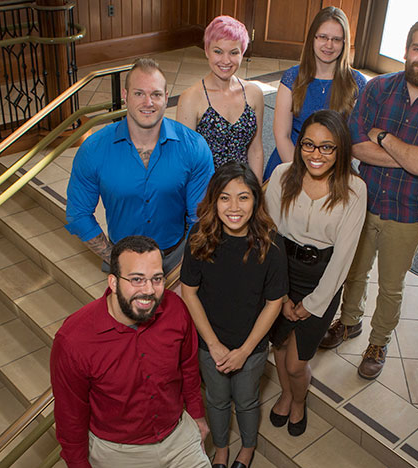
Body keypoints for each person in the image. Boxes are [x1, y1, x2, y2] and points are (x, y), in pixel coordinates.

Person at [321, 15, 418, 380]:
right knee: (353, 272)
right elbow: (355, 146)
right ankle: (349, 322)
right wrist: (410, 155)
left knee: (390, 285)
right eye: (417, 48)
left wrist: (383, 138)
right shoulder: (377, 89)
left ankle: (378, 342)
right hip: (364, 202)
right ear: (406, 51)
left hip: (408, 212)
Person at [50, 235, 218, 468]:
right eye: (137, 279)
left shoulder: (175, 311)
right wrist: (79, 467)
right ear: (114, 282)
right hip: (120, 457)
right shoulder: (74, 340)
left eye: (157, 278)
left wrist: (197, 415)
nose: (149, 290)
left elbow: (188, 367)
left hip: (179, 437)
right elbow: (69, 412)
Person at [180, 162, 287, 468]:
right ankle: (223, 450)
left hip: (250, 348)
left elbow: (274, 303)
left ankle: (249, 447)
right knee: (215, 398)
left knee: (246, 399)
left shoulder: (271, 244)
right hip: (211, 344)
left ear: (256, 200)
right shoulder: (200, 237)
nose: (234, 207)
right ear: (213, 201)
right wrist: (213, 345)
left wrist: (244, 350)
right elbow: (189, 292)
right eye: (225, 198)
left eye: (243, 198)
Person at [265, 109, 366, 436]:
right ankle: (285, 393)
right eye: (309, 145)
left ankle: (298, 401)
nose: (316, 154)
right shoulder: (282, 176)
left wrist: (311, 304)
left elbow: (343, 259)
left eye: (327, 147)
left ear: (340, 150)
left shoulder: (354, 190)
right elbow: (270, 239)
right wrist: (279, 295)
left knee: (297, 362)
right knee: (279, 347)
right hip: (281, 272)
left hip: (321, 278)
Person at [65, 58, 214, 275]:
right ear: (125, 96)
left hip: (177, 257)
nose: (148, 102)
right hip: (121, 258)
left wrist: (186, 265)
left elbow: (199, 217)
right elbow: (78, 215)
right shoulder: (94, 149)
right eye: (139, 93)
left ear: (165, 98)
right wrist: (114, 259)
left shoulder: (193, 147)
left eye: (156, 94)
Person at [264, 6, 366, 181]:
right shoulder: (292, 77)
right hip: (291, 161)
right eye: (323, 37)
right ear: (312, 38)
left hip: (334, 168)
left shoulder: (356, 83)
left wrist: (326, 175)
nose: (329, 45)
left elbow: (356, 141)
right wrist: (300, 175)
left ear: (344, 43)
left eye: (336, 39)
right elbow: (282, 135)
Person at [177, 16, 265, 180]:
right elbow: (185, 159)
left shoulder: (254, 94)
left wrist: (256, 193)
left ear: (242, 53)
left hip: (243, 186)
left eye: (233, 53)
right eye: (218, 51)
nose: (226, 60)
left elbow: (255, 149)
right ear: (206, 50)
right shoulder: (190, 98)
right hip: (206, 187)